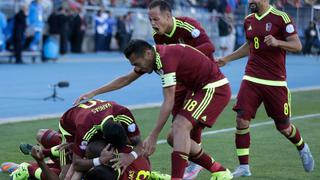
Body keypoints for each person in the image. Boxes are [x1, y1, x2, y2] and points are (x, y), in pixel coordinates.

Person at [76, 40, 233, 179]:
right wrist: (94, 92)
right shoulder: (153, 58)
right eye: (134, 65)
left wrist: (153, 135)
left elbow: (169, 100)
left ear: (148, 53)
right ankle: (220, 171)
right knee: (173, 137)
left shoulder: (166, 59)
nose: (138, 68)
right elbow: (126, 79)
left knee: (180, 126)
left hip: (213, 88)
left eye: (137, 63)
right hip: (199, 90)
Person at [216, 0, 315, 178]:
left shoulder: (281, 18)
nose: (251, 1)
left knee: (284, 128)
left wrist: (278, 42)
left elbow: (297, 45)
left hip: (275, 83)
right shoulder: (248, 20)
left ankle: (302, 147)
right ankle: (244, 167)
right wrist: (227, 58)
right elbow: (249, 45)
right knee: (241, 120)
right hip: (251, 78)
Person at [59, 99, 165, 179]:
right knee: (66, 175)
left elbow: (138, 142)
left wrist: (130, 157)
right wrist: (100, 160)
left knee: (95, 158)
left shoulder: (123, 113)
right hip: (71, 128)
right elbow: (77, 163)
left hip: (95, 119)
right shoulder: (84, 128)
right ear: (104, 137)